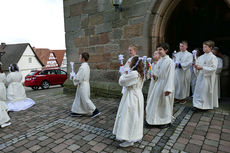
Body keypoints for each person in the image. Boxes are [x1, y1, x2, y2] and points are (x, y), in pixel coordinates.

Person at [113, 56, 144, 147]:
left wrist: (124, 73)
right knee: (135, 116)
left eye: (130, 62)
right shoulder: (140, 73)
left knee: (129, 116)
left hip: (132, 96)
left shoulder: (134, 73)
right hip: (137, 95)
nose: (129, 63)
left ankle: (130, 138)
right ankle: (133, 135)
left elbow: (121, 81)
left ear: (134, 63)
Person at [145, 43, 175, 129]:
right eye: (158, 49)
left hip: (165, 84)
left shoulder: (170, 62)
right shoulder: (160, 61)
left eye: (160, 49)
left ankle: (165, 121)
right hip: (158, 84)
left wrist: (168, 89)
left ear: (166, 50)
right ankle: (153, 120)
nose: (159, 51)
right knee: (155, 103)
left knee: (164, 104)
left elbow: (170, 76)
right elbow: (157, 73)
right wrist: (154, 75)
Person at [70, 52, 100, 118]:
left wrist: (73, 77)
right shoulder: (86, 66)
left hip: (83, 85)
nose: (79, 58)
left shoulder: (82, 67)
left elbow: (79, 78)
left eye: (80, 57)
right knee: (79, 98)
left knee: (85, 99)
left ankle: (95, 111)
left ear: (83, 58)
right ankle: (77, 111)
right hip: (85, 84)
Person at [193, 40, 218, 111]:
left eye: (206, 47)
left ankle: (205, 106)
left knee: (204, 92)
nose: (204, 48)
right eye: (203, 47)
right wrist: (196, 66)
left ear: (211, 48)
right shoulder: (201, 57)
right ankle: (197, 105)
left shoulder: (213, 58)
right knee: (198, 91)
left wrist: (202, 68)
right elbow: (197, 65)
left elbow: (213, 68)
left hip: (207, 78)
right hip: (200, 77)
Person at [0, 63, 11, 128]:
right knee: (2, 101)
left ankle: (5, 110)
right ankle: (6, 108)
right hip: (2, 87)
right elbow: (4, 81)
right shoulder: (3, 74)